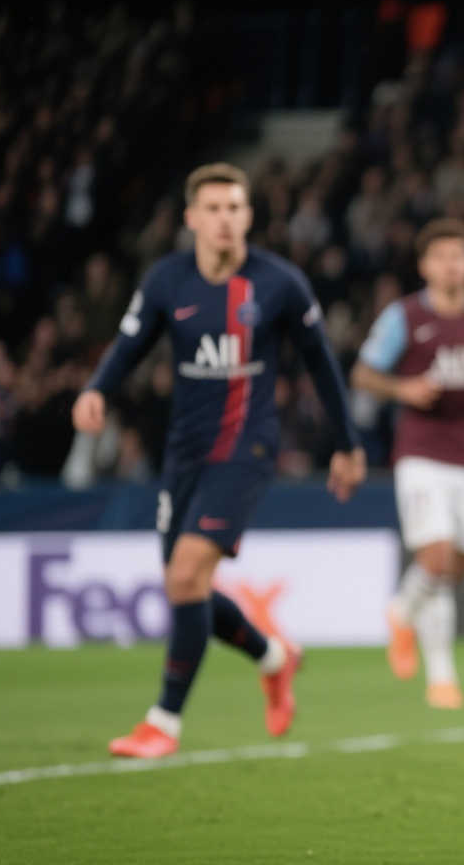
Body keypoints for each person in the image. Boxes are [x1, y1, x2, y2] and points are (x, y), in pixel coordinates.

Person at [73, 163, 365, 759]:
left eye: (234, 207)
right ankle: (275, 658)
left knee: (185, 576)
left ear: (249, 216)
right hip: (185, 452)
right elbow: (129, 344)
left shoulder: (279, 283)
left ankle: (163, 723)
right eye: (213, 209)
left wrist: (348, 444)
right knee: (188, 587)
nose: (224, 219)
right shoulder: (166, 280)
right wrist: (97, 388)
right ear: (191, 218)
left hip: (247, 449)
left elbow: (321, 363)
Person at [352, 219, 464, 709]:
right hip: (422, 450)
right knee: (437, 556)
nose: (451, 266)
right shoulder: (403, 317)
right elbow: (363, 374)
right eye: (441, 257)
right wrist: (402, 388)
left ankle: (411, 624)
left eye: (459, 256)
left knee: (456, 567)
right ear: (425, 265)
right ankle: (433, 664)